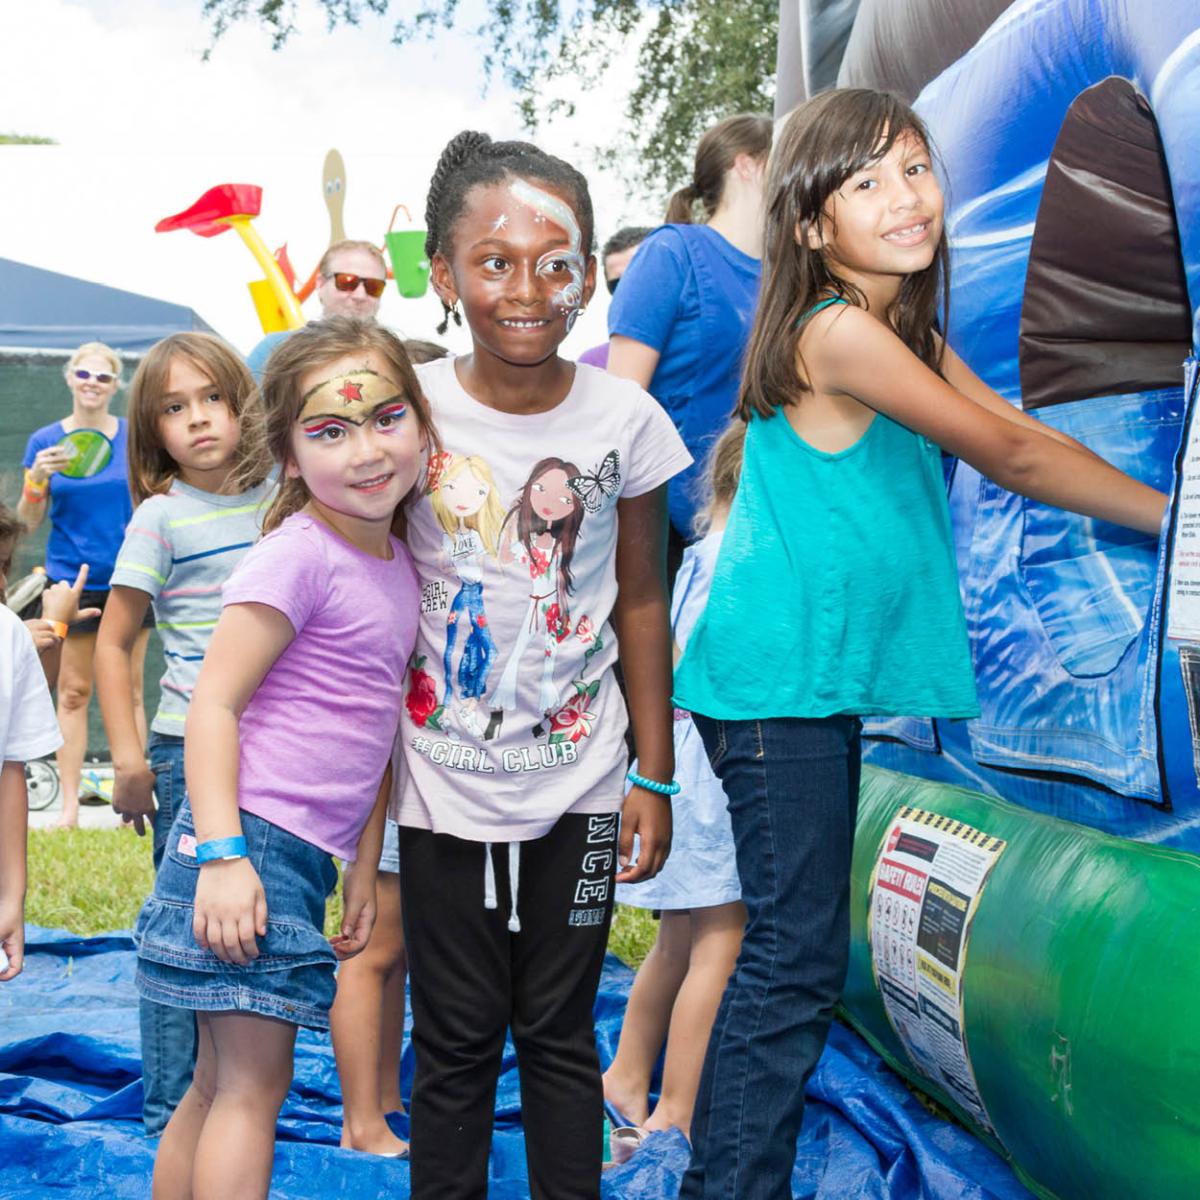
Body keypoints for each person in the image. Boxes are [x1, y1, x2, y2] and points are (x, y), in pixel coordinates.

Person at [672, 88, 1169, 1200]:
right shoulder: (839, 332)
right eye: (866, 181)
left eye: (915, 167)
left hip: (805, 683)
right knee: (793, 959)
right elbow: (1011, 456)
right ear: (809, 224)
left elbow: (1025, 431)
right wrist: (1173, 518)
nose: (907, 197)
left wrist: (1163, 504)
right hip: (771, 687)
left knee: (792, 948)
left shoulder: (896, 324)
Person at [397, 130, 691, 1200]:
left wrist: (651, 775)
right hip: (442, 786)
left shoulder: (630, 419)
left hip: (586, 785)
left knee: (561, 1029)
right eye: (495, 261)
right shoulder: (410, 414)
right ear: (443, 274)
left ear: (586, 278)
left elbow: (645, 601)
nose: (528, 288)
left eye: (557, 262)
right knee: (461, 1037)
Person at [132, 317, 435, 1198]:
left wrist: (364, 866)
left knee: (217, 1081)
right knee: (252, 1092)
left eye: (386, 418)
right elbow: (211, 706)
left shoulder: (394, 560)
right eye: (331, 431)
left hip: (295, 856)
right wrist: (223, 856)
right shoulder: (299, 554)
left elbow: (378, 729)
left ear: (422, 424)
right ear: (291, 457)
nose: (368, 450)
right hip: (248, 846)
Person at [93, 333, 274, 1137]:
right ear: (152, 429)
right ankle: (173, 1115)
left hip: (278, 749)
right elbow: (114, 639)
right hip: (184, 748)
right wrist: (129, 759)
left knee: (258, 924)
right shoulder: (160, 519)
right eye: (174, 407)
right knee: (185, 931)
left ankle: (234, 1083)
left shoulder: (287, 499)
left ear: (244, 405)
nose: (198, 419)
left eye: (212, 398)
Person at [603, 421, 746, 1150]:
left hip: (686, 759)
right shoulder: (742, 558)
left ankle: (628, 1076)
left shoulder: (700, 555)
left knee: (680, 937)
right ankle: (679, 1109)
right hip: (714, 764)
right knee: (724, 937)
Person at [328, 336, 447, 1158]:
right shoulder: (368, 542)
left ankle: (381, 1100)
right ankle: (361, 1117)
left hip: (427, 776)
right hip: (386, 778)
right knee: (374, 946)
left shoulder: (415, 535)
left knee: (397, 949)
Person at [607, 115, 771, 578]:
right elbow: (621, 399)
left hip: (762, 512)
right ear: (748, 166)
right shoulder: (672, 252)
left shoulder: (785, 269)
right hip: (678, 527)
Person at [18, 342, 152, 828]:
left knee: (132, 692)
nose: (92, 383)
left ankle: (132, 804)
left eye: (103, 376)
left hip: (130, 577)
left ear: (115, 386)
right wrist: (36, 480)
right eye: (84, 374)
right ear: (69, 378)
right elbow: (27, 521)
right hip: (69, 581)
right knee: (72, 693)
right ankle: (69, 808)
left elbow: (152, 503)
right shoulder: (44, 442)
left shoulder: (134, 439)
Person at [245, 239, 389, 382]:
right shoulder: (273, 350)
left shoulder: (393, 357)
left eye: (373, 286)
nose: (360, 295)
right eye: (347, 282)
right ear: (320, 283)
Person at [577, 227, 652, 368]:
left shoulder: (698, 355)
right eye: (617, 285)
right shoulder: (593, 365)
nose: (629, 293)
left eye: (639, 279)